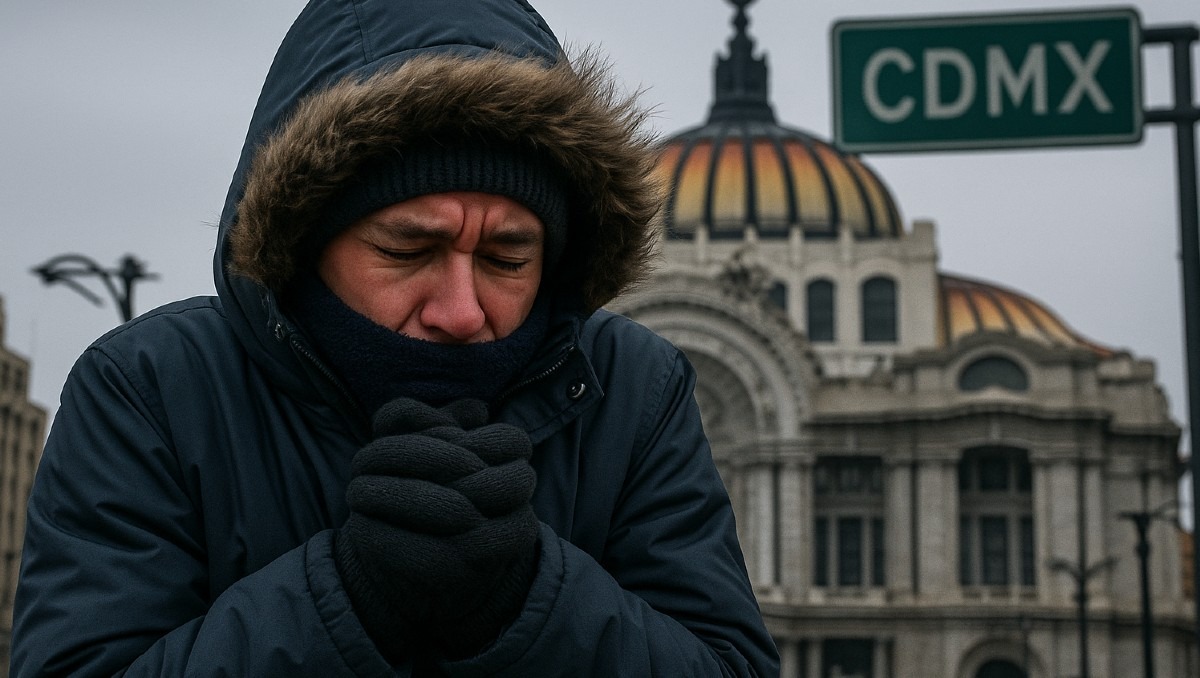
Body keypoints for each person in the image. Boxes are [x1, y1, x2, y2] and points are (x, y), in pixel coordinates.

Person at [11, 0, 780, 675]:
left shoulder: (635, 387)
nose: (461, 309)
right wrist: (347, 596)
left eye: (508, 258)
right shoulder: (149, 389)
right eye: (407, 251)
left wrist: (529, 596)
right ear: (306, 240)